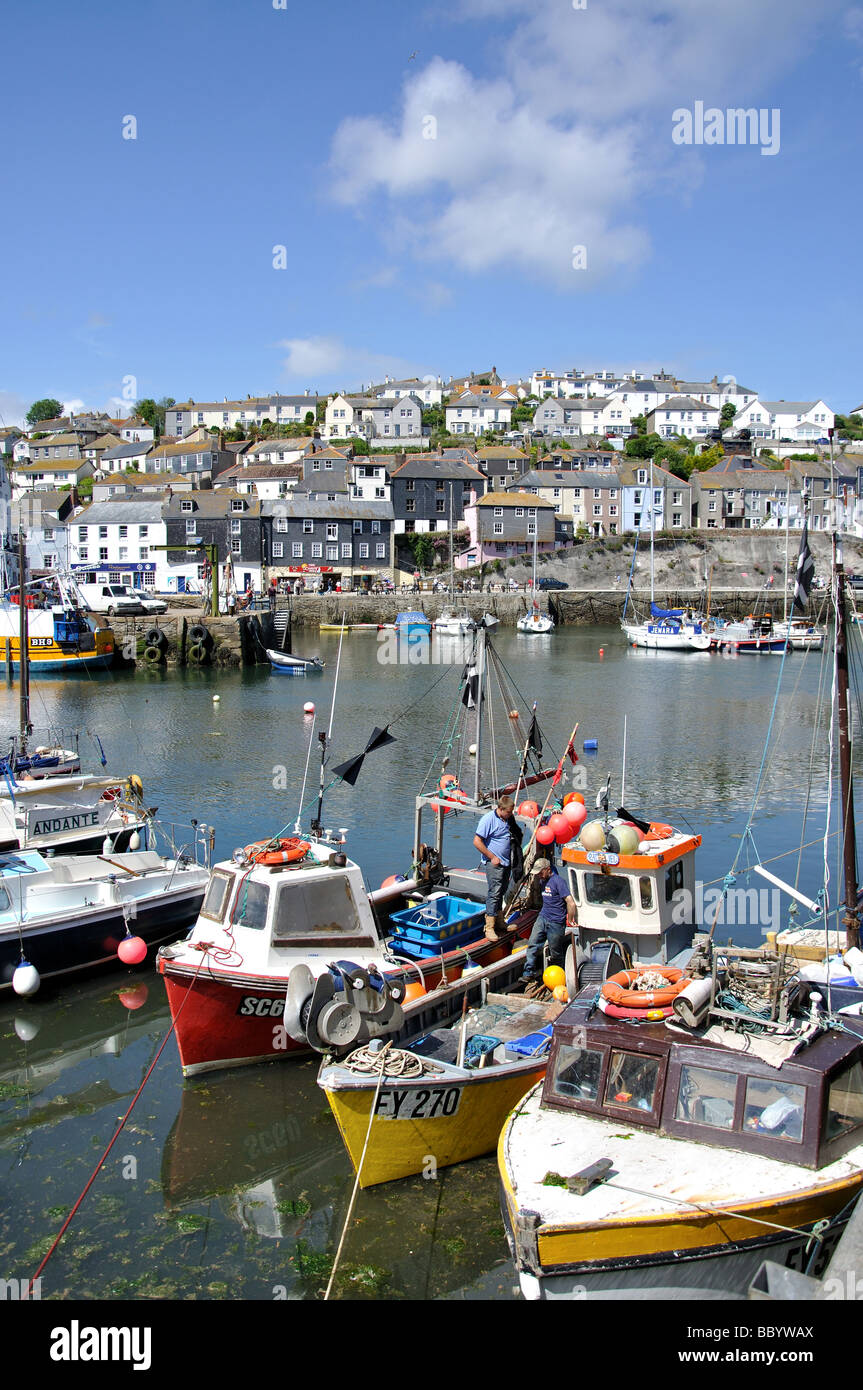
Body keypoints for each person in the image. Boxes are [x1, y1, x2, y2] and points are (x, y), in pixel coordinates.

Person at [519, 858, 577, 997]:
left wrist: (570, 918)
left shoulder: (558, 882)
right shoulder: (541, 880)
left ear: (548, 869)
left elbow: (571, 902)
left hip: (556, 922)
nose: (539, 875)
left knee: (555, 952)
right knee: (532, 943)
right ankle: (529, 973)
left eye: (541, 872)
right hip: (543, 917)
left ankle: (559, 978)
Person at [473, 794, 517, 942]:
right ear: (500, 809)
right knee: (494, 892)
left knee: (502, 891)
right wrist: (492, 857)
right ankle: (489, 927)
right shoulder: (488, 820)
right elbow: (477, 841)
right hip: (494, 864)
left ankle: (500, 921)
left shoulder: (506, 819)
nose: (511, 815)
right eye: (509, 812)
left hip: (505, 863)